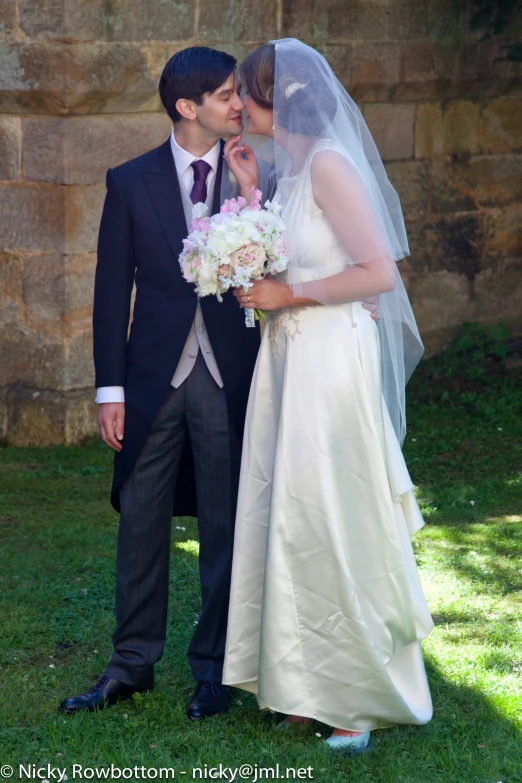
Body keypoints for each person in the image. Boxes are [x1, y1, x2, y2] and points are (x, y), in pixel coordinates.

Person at [222, 39, 434, 751]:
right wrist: (252, 194)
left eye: (242, 95)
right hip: (290, 360)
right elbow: (298, 251)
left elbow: (379, 272)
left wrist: (293, 293)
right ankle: (303, 679)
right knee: (292, 513)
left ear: (271, 101)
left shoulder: (334, 167)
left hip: (328, 361)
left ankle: (356, 698)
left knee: (330, 512)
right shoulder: (294, 168)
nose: (236, 108)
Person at [58, 46, 258, 721]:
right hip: (151, 380)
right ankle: (131, 664)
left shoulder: (252, 175)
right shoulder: (129, 179)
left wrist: (255, 194)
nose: (240, 104)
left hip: (230, 375)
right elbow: (112, 290)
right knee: (140, 517)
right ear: (187, 106)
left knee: (225, 523)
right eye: (228, 94)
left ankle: (215, 668)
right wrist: (108, 390)